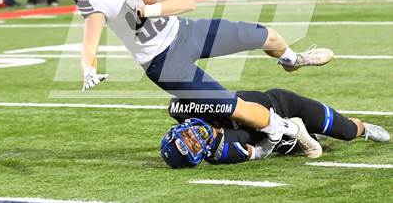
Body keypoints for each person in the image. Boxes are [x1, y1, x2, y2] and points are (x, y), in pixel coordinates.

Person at [71, 0, 335, 153]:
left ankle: (292, 59)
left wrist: (148, 9)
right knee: (236, 108)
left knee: (267, 35)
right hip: (163, 64)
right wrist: (89, 68)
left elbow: (187, 0)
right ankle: (290, 129)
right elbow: (90, 38)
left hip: (186, 32)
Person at [161, 89, 390, 168]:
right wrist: (274, 134)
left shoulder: (185, 108)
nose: (195, 136)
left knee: (348, 131)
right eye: (192, 145)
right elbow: (259, 153)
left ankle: (362, 128)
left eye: (186, 135)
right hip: (281, 138)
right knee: (301, 143)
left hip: (281, 103)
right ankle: (307, 133)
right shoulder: (222, 152)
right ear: (198, 156)